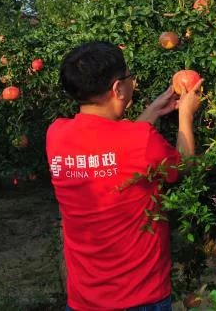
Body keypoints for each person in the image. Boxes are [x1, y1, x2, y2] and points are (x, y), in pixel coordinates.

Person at [46, 41, 203, 311]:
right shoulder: (140, 140)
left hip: (85, 299)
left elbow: (116, 149)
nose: (133, 82)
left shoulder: (56, 134)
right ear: (118, 88)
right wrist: (185, 116)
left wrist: (153, 111)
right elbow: (184, 166)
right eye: (129, 77)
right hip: (140, 296)